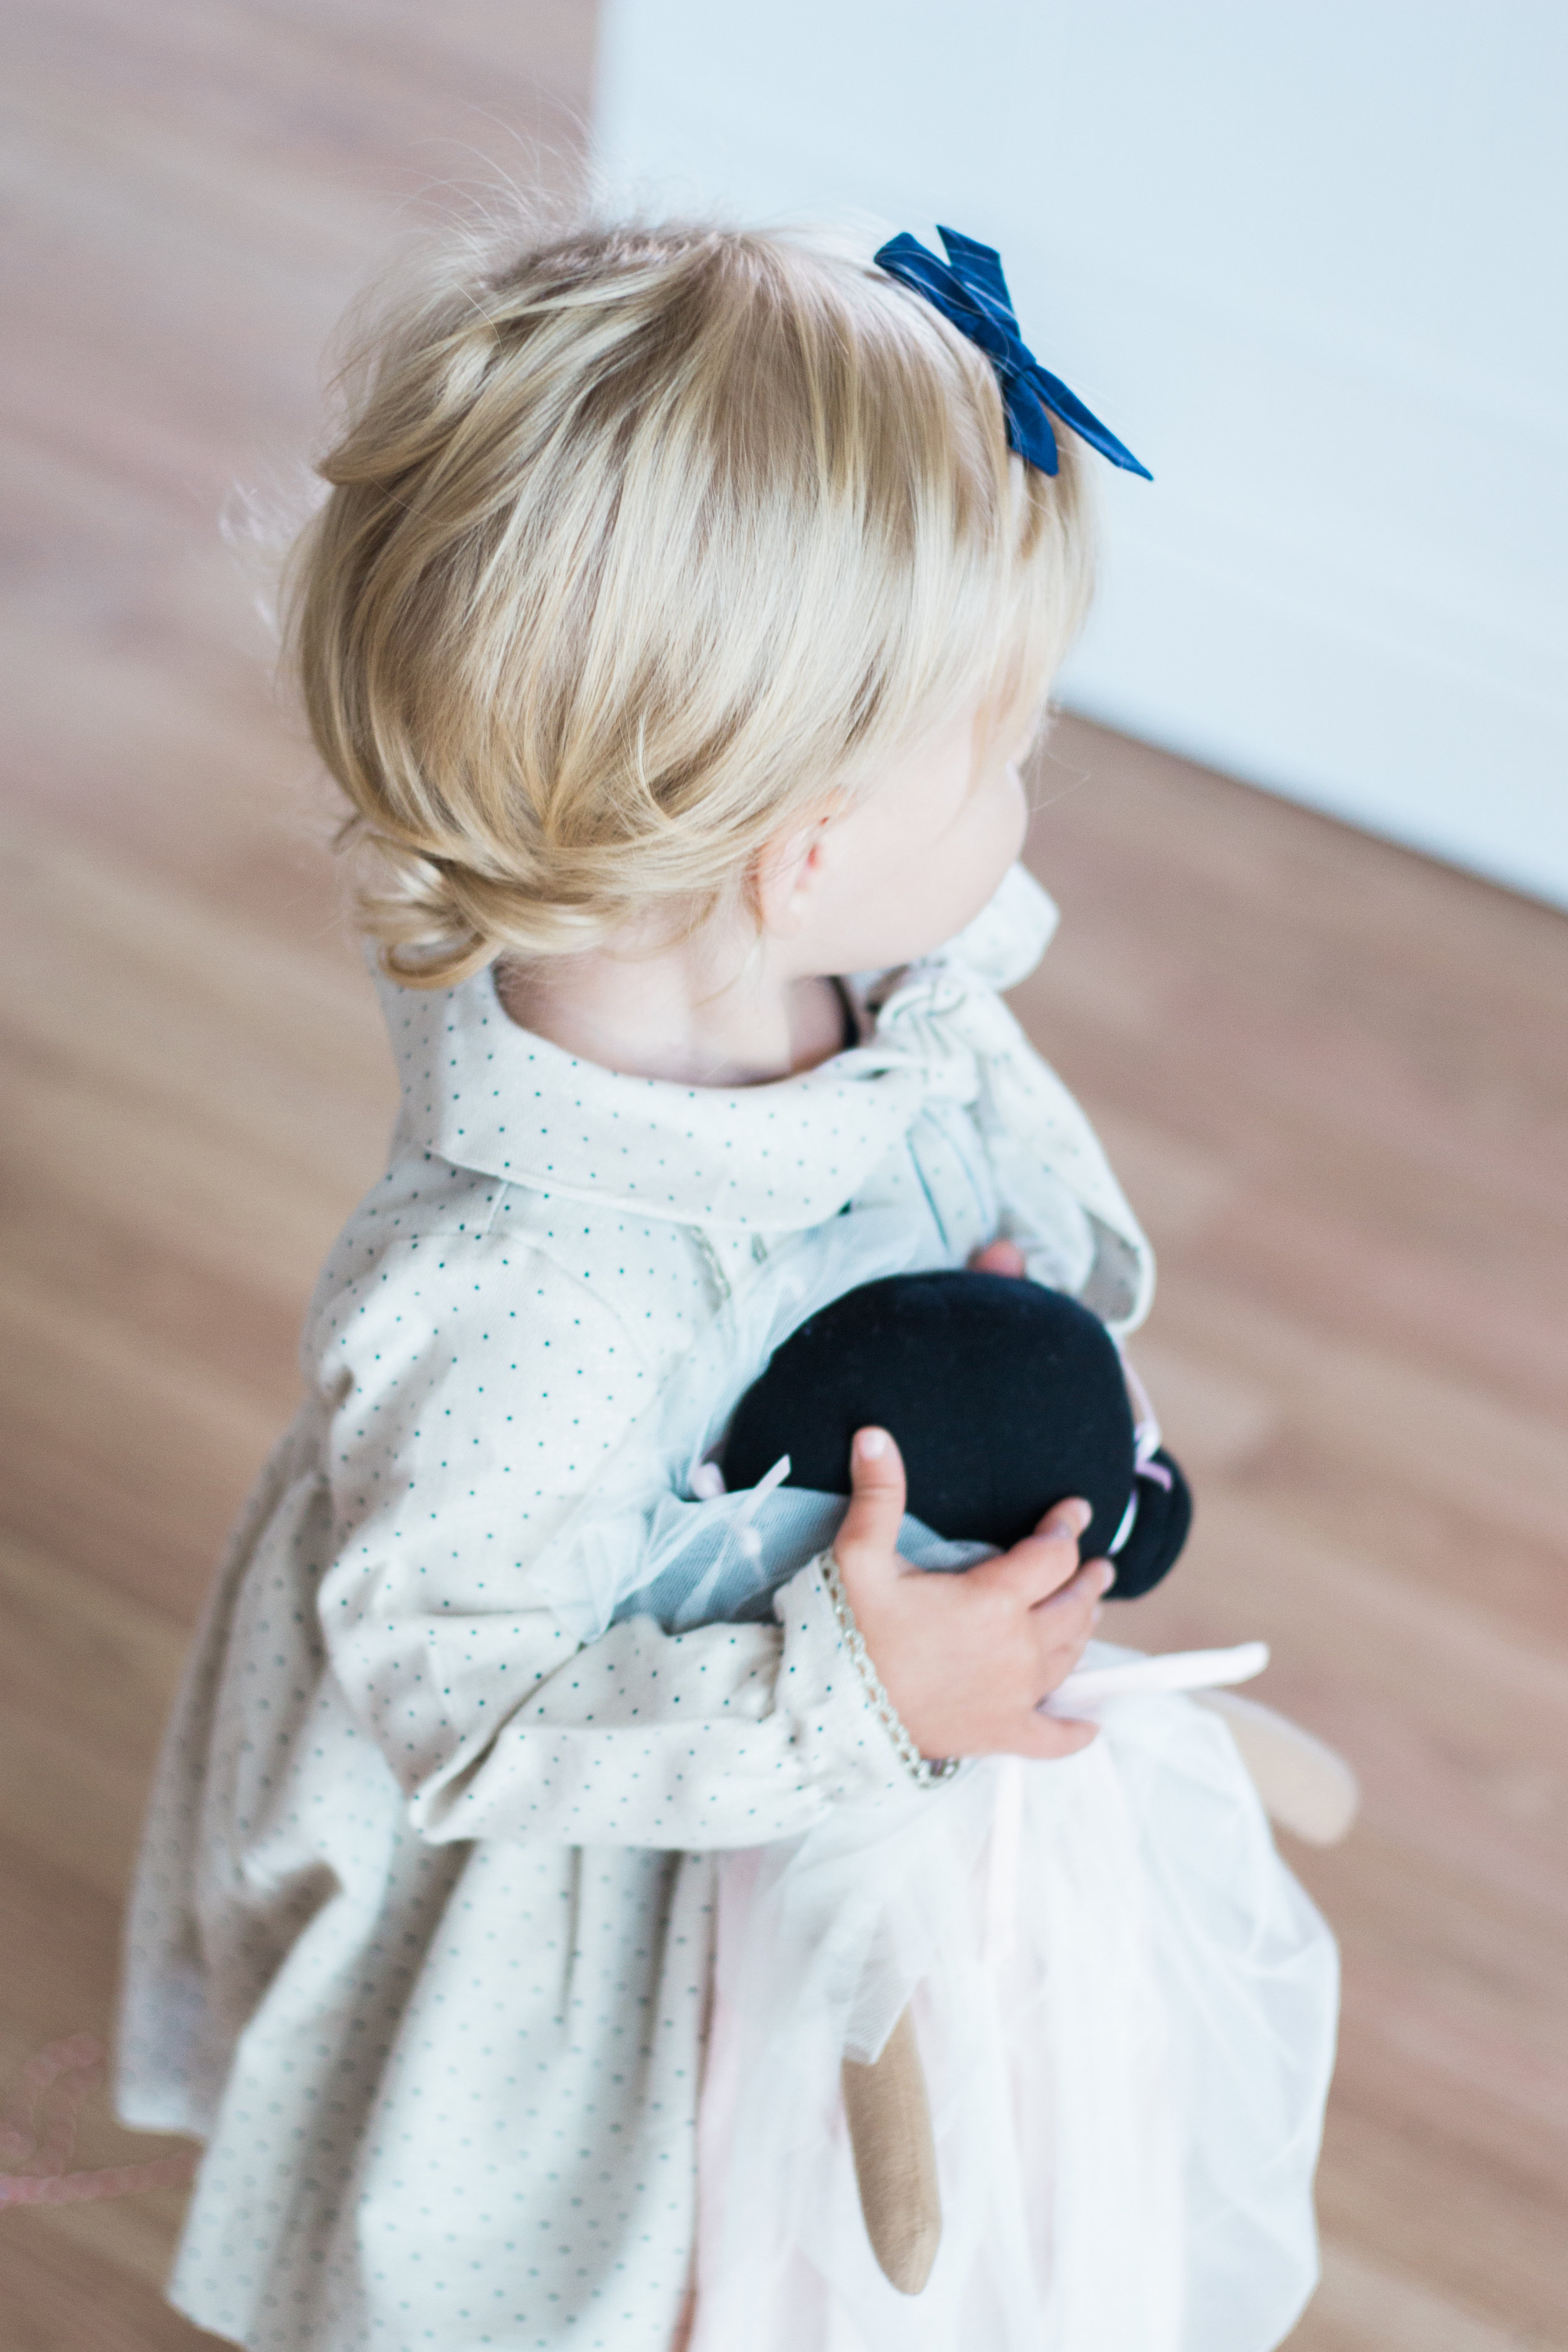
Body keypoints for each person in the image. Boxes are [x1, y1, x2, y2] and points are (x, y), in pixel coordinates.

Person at [116, 213, 1338, 2352]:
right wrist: (844, 1706)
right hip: (624, 1873)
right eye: (1007, 747)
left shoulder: (844, 967)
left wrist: (1016, 1297)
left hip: (889, 1695)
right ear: (804, 845)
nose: (1028, 790)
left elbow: (986, 1160)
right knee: (648, 2238)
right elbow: (469, 1713)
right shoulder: (528, 1290)